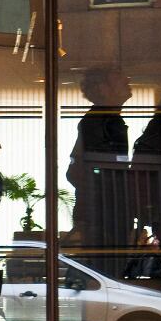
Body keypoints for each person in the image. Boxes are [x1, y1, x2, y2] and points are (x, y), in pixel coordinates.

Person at [65, 68, 132, 261]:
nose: (127, 80)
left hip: (107, 211)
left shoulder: (109, 119)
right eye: (120, 78)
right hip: (104, 214)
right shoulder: (97, 122)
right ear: (103, 88)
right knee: (107, 267)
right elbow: (93, 168)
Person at [123, 226, 161, 292]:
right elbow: (148, 274)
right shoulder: (150, 257)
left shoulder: (140, 256)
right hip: (148, 289)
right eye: (154, 238)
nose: (157, 241)